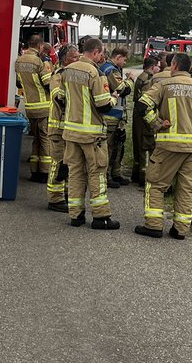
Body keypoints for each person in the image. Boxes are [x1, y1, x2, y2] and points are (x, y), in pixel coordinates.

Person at [134, 53, 192, 240]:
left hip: (168, 145)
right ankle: (181, 229)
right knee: (186, 188)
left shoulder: (164, 85)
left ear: (175, 65)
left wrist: (156, 123)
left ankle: (153, 225)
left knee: (156, 184)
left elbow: (142, 105)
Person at [60, 36, 121, 230]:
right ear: (95, 52)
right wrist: (113, 98)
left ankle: (76, 215)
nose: (101, 57)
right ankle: (101, 217)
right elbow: (103, 105)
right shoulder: (95, 73)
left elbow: (61, 98)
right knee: (97, 173)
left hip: (71, 132)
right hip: (92, 135)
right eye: (101, 54)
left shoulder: (67, 70)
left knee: (76, 173)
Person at [14, 35, 53, 183]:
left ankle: (34, 172)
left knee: (35, 140)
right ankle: (44, 172)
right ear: (40, 45)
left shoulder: (19, 60)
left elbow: (19, 83)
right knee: (45, 140)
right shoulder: (39, 61)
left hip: (29, 106)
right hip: (43, 106)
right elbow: (48, 83)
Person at [45, 43, 79, 211]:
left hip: (69, 129)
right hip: (58, 128)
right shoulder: (59, 75)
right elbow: (58, 96)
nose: (78, 59)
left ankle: (65, 193)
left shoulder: (72, 75)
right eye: (74, 57)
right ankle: (55, 199)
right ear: (65, 59)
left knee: (68, 164)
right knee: (57, 164)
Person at [99, 46, 133, 187]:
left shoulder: (114, 69)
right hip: (110, 116)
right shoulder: (109, 70)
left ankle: (116, 173)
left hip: (117, 116)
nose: (124, 63)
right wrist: (130, 80)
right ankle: (106, 176)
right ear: (118, 57)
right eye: (124, 60)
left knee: (119, 146)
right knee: (109, 147)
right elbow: (122, 89)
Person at [130, 54, 162, 187]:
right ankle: (144, 177)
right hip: (143, 118)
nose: (159, 70)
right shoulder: (147, 80)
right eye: (158, 67)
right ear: (153, 67)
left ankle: (137, 174)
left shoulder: (142, 77)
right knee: (146, 146)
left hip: (139, 117)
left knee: (139, 145)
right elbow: (146, 102)